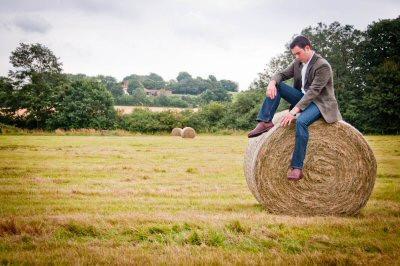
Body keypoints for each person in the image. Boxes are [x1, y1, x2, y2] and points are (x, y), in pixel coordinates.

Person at [247, 35, 342, 181]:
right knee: (278, 85)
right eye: (294, 54)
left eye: (298, 53)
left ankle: (297, 167)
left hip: (320, 103)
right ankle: (265, 121)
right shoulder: (298, 62)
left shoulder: (322, 65)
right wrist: (272, 82)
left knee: (301, 122)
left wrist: (294, 112)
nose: (297, 57)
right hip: (302, 99)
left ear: (308, 48)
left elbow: (313, 92)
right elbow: (282, 74)